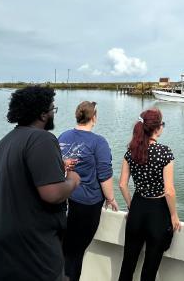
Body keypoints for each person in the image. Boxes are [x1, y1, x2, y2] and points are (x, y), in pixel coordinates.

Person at [0, 86, 80, 281]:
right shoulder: (42, 138)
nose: (53, 113)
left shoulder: (2, 144)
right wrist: (73, 180)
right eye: (53, 109)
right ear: (43, 114)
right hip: (27, 254)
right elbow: (52, 193)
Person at [57, 101, 118, 281]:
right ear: (94, 118)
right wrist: (111, 198)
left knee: (64, 250)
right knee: (75, 254)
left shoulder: (62, 137)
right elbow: (104, 174)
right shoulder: (98, 142)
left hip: (63, 200)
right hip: (86, 204)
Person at [118, 109, 181, 281]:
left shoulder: (131, 151)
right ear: (158, 128)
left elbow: (122, 184)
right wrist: (174, 215)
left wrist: (132, 206)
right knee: (149, 269)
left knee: (127, 264)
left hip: (138, 207)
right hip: (158, 212)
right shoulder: (164, 152)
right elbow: (169, 190)